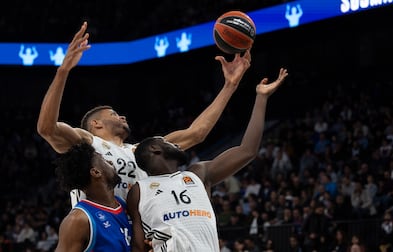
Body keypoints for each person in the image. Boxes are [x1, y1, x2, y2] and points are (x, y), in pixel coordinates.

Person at [37, 21, 252, 207]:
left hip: (135, 233)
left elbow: (196, 134)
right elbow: (47, 128)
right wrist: (63, 71)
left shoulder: (142, 151)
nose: (121, 117)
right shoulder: (86, 144)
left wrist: (230, 86)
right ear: (95, 124)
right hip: (101, 230)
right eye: (113, 114)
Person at [126, 68, 289, 252]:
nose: (178, 145)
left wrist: (261, 98)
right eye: (167, 142)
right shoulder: (139, 190)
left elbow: (247, 151)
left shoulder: (198, 173)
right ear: (154, 148)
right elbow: (138, 246)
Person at [53, 142, 131, 252]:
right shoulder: (78, 220)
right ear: (96, 172)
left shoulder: (123, 205)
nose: (110, 161)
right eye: (104, 160)